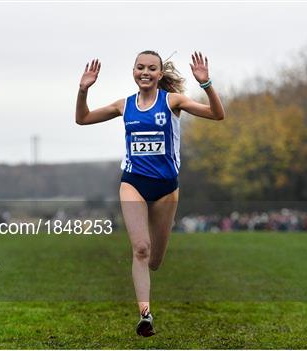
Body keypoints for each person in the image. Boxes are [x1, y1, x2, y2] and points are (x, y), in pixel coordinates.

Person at [75, 50, 225, 337]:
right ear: (133, 71)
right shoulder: (124, 105)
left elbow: (218, 115)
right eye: (140, 67)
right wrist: (83, 90)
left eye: (151, 68)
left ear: (159, 74)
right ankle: (145, 315)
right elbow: (82, 119)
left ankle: (148, 291)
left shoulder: (172, 102)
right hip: (133, 182)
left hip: (167, 188)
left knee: (154, 260)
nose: (145, 72)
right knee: (141, 248)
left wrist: (206, 85)